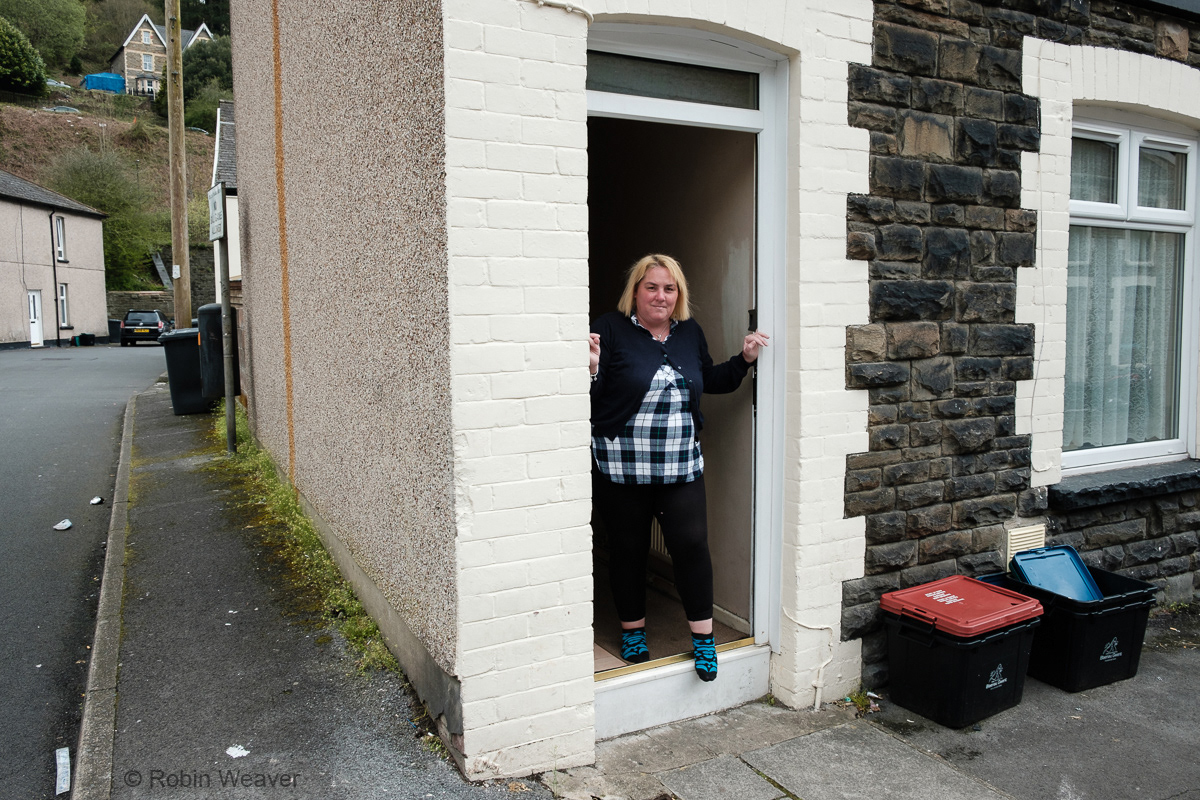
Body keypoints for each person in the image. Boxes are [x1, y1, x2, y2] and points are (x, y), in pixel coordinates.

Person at [588, 254, 769, 682]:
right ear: (635, 292)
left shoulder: (689, 333)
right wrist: (592, 370)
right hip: (622, 467)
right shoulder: (611, 328)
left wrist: (744, 360)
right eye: (651, 287)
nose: (660, 296)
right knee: (628, 549)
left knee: (691, 547)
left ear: (679, 295)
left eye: (669, 289)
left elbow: (710, 379)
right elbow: (593, 399)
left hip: (680, 464)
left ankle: (703, 640)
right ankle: (633, 631)